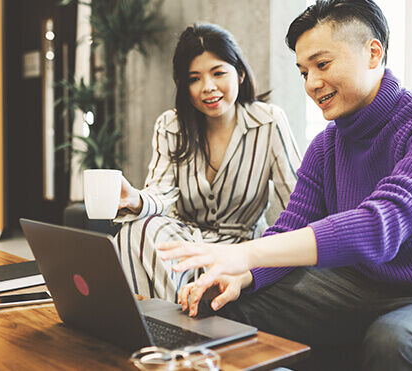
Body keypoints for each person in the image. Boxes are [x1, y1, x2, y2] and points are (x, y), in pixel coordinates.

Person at [158, 1, 412, 369]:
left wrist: (245, 253)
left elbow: (383, 225)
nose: (312, 83)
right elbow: (289, 228)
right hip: (358, 286)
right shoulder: (326, 146)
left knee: (395, 341)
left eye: (322, 65)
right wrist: (244, 275)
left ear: (373, 53)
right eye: (303, 71)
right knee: (220, 307)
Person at [111, 23, 302, 303]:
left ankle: (172, 322)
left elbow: (296, 201)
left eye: (218, 73)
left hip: (238, 252)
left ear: (239, 74)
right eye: (194, 78)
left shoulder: (269, 121)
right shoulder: (170, 125)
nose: (208, 87)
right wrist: (134, 199)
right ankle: (161, 325)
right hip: (185, 243)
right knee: (134, 230)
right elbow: (160, 192)